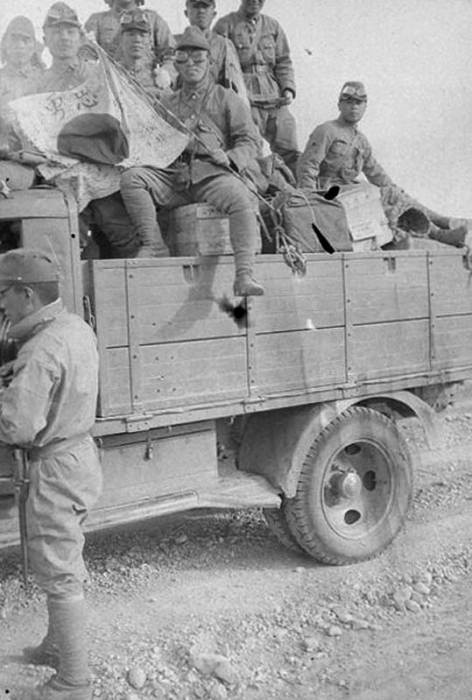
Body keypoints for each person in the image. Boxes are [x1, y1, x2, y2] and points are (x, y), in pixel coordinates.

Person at [0, 248, 101, 700]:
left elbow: (17, 426)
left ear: (25, 293)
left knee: (60, 569)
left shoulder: (40, 350)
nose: (2, 304)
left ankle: (74, 681)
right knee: (60, 557)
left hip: (55, 466)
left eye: (4, 294)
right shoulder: (73, 328)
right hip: (79, 455)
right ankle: (56, 644)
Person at [120, 26, 264, 296]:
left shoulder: (226, 98)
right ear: (177, 65)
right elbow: (156, 142)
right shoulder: (168, 103)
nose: (191, 66)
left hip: (212, 176)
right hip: (176, 179)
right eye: (184, 60)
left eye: (198, 60)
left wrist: (230, 156)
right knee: (132, 179)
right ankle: (154, 245)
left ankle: (244, 274)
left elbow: (250, 141)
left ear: (209, 63)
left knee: (240, 199)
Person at [297, 81, 467, 242]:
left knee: (393, 192)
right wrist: (311, 202)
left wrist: (396, 191)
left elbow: (376, 173)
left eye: (359, 102)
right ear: (339, 105)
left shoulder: (361, 141)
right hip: (327, 193)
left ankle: (441, 224)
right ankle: (437, 231)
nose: (354, 107)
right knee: (381, 196)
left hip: (350, 191)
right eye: (348, 102)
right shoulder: (327, 131)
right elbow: (307, 166)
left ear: (365, 107)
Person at [214, 0, 300, 173]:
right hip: (244, 97)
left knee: (289, 144)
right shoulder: (225, 25)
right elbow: (217, 66)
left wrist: (288, 88)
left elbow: (283, 61)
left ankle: (301, 189)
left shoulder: (272, 26)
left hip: (274, 96)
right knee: (251, 148)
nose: (254, 1)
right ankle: (261, 190)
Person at [85, 0, 175, 79]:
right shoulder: (97, 21)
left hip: (147, 86)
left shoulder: (153, 19)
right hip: (111, 85)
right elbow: (85, 56)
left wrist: (166, 74)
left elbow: (172, 54)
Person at [180, 0, 247, 98]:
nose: (201, 11)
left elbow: (236, 84)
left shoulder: (224, 45)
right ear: (186, 13)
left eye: (205, 7)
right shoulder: (176, 43)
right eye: (196, 7)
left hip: (213, 104)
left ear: (214, 14)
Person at [117, 8, 174, 100]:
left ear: (150, 41)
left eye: (142, 35)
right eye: (131, 34)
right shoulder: (113, 72)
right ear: (121, 39)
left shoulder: (158, 78)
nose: (137, 40)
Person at [0, 16, 45, 105]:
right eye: (14, 39)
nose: (20, 45)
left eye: (26, 40)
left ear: (34, 46)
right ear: (4, 43)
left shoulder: (44, 78)